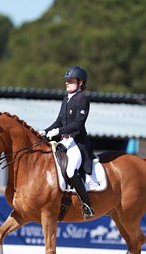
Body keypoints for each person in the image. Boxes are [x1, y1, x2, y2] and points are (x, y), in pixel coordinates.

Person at [38, 66, 94, 219]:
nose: (67, 83)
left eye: (70, 81)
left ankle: (87, 204)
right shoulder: (66, 99)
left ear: (80, 82)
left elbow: (78, 124)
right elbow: (59, 121)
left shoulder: (82, 99)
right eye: (66, 81)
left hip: (77, 143)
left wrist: (58, 132)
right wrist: (45, 130)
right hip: (64, 142)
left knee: (70, 170)